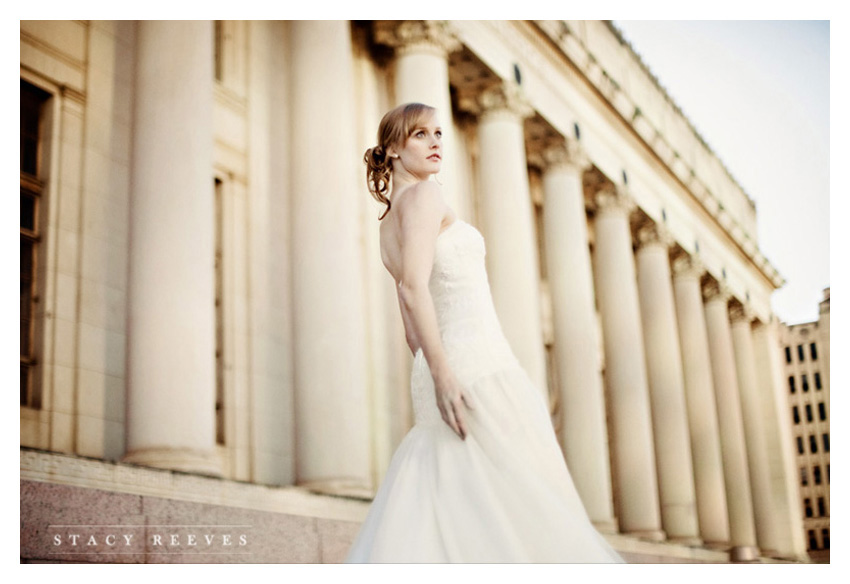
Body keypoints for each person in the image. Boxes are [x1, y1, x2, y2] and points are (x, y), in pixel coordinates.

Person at [345, 102, 624, 563]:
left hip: (445, 366)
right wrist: (445, 375)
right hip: (474, 368)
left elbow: (411, 322)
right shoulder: (426, 197)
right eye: (421, 135)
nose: (437, 142)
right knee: (525, 508)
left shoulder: (389, 223)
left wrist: (431, 371)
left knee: (464, 506)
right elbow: (414, 289)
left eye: (439, 133)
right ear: (393, 148)